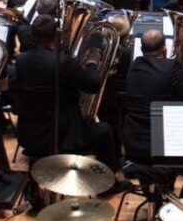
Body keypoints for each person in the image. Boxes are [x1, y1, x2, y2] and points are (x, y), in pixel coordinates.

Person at [9, 14, 117, 170]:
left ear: (32, 35)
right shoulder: (63, 62)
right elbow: (93, 85)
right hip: (62, 136)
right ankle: (109, 184)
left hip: (30, 134)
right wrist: (92, 61)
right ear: (56, 34)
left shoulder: (21, 60)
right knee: (104, 130)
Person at [121, 29, 183, 196]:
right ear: (165, 48)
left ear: (142, 49)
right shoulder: (171, 68)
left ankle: (156, 193)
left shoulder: (134, 67)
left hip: (134, 146)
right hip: (163, 147)